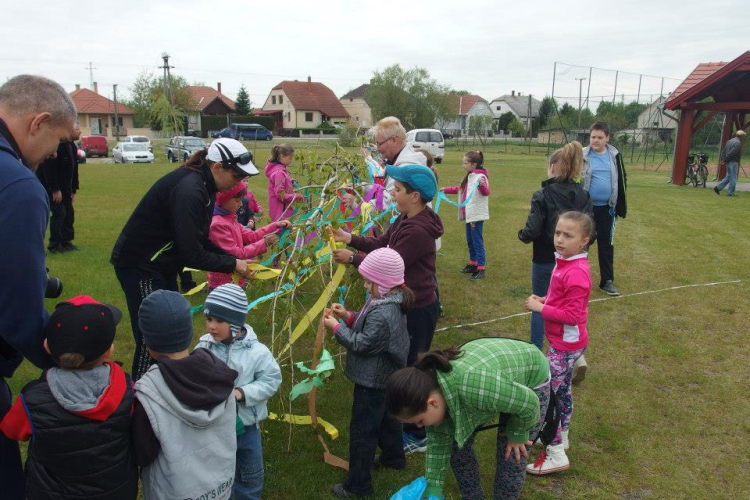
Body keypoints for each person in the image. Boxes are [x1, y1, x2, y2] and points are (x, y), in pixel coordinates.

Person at [111, 138, 256, 380]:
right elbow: (192, 253)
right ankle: (141, 394)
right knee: (153, 334)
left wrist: (232, 259)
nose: (239, 183)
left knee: (170, 327)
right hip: (140, 265)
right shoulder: (191, 189)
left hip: (163, 264)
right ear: (217, 167)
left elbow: (198, 240)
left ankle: (167, 386)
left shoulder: (206, 186)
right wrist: (232, 263)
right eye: (236, 177)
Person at [0, 74, 77, 499]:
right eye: (60, 142)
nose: (57, 154)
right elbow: (19, 310)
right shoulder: (19, 186)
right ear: (38, 122)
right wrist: (70, 362)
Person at [332, 164, 444, 454]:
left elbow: (391, 261)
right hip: (405, 303)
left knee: (411, 368)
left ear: (415, 196)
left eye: (398, 189)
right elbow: (383, 244)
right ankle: (400, 425)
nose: (392, 192)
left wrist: (353, 259)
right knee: (400, 364)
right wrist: (351, 239)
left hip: (417, 308)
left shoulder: (418, 231)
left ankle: (416, 432)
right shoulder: (405, 218)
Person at [0, 296, 138, 500]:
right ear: (109, 351)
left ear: (46, 346)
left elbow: (11, 430)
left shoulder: (32, 400)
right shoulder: (127, 389)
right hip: (116, 491)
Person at [384, 338, 551, 500]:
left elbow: (528, 403)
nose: (419, 427)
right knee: (456, 448)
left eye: (419, 421)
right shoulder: (433, 393)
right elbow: (438, 444)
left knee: (511, 457)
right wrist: (433, 487)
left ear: (432, 403)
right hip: (497, 385)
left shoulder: (476, 387)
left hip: (530, 380)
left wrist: (517, 433)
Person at [132, 290, 238, 500]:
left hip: (173, 491)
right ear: (188, 333)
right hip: (221, 487)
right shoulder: (221, 375)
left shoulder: (148, 393)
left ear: (148, 341)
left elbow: (142, 453)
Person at [322, 248, 411, 498]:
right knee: (386, 418)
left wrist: (336, 328)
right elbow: (365, 326)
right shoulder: (385, 300)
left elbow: (361, 343)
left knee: (363, 431)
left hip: (372, 380)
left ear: (382, 284)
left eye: (369, 281)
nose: (364, 284)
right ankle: (394, 458)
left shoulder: (383, 313)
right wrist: (347, 316)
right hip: (386, 376)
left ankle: (357, 485)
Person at [524, 211, 594, 475]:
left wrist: (541, 310)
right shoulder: (565, 261)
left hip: (566, 345)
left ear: (584, 240)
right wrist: (545, 299)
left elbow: (573, 316)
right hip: (563, 343)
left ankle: (555, 453)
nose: (560, 239)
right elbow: (561, 298)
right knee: (562, 389)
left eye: (568, 235)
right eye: (557, 233)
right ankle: (561, 434)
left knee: (549, 394)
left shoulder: (576, 272)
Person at [196, 284, 282, 500]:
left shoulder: (257, 353)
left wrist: (242, 393)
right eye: (208, 320)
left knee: (249, 473)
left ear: (235, 323)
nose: (211, 327)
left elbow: (271, 380)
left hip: (246, 427)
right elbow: (194, 376)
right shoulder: (204, 348)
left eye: (218, 321)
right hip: (214, 425)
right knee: (215, 471)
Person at [518, 141, 592, 352]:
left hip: (545, 260)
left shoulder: (542, 194)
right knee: (566, 304)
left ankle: (536, 353)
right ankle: (571, 353)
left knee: (540, 305)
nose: (561, 238)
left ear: (552, 167)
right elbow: (591, 233)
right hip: (574, 262)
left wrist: (522, 235)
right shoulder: (584, 195)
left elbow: (531, 230)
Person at [208, 181, 291, 291]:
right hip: (223, 285)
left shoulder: (230, 218)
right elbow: (237, 254)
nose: (241, 204)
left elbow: (251, 236)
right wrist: (264, 243)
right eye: (237, 200)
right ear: (224, 200)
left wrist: (275, 225)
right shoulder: (218, 225)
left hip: (235, 278)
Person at [581, 121, 627, 297]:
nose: (595, 140)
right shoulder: (582, 155)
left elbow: (622, 180)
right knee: (583, 244)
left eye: (600, 137)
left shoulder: (614, 156)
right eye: (593, 137)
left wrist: (620, 205)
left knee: (606, 245)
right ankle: (579, 279)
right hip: (586, 210)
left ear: (607, 138)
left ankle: (607, 281)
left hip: (607, 209)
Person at [440, 150, 491, 280]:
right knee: (470, 240)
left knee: (477, 241)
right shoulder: (470, 176)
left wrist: (481, 186)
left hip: (475, 215)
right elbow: (461, 189)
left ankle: (481, 268)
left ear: (474, 164)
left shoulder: (480, 177)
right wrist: (446, 190)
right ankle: (473, 264)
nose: (463, 165)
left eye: (465, 163)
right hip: (469, 215)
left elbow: (486, 192)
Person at [36, 122, 81, 253]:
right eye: (77, 129)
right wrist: (54, 189)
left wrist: (73, 189)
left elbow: (74, 170)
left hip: (66, 189)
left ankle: (66, 241)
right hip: (52, 188)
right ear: (70, 130)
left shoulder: (71, 146)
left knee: (69, 213)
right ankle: (54, 244)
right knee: (59, 213)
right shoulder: (56, 145)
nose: (80, 132)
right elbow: (48, 169)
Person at [265, 144, 304, 222]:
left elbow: (282, 182)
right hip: (280, 213)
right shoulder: (279, 172)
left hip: (282, 211)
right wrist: (296, 196)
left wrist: (289, 181)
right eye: (290, 158)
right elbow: (280, 195)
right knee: (279, 233)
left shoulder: (280, 170)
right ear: (282, 156)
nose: (291, 160)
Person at [714, 129, 746, 197]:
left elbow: (723, 151)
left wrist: (724, 159)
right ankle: (730, 193)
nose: (743, 137)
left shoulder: (729, 141)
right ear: (741, 136)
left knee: (728, 177)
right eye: (743, 136)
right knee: (733, 178)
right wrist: (725, 160)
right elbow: (732, 153)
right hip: (733, 162)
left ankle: (718, 188)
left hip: (728, 161)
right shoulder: (738, 143)